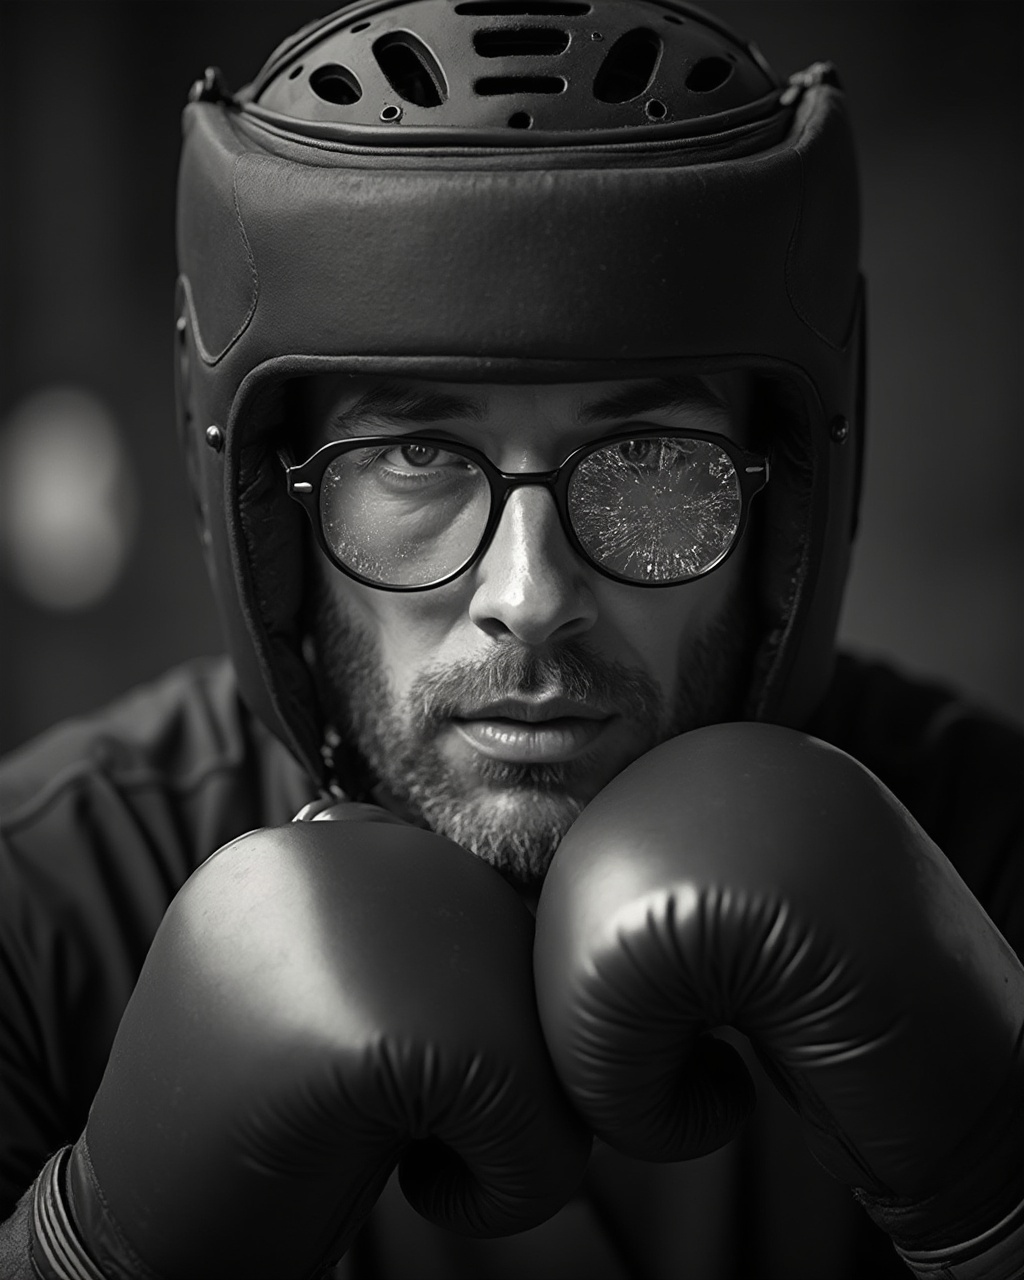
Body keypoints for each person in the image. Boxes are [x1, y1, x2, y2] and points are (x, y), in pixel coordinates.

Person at [1, 2, 1021, 1278]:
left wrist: (997, 1195)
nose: (528, 595)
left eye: (646, 457)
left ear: (785, 499)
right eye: (417, 454)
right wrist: (87, 1244)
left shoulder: (993, 859)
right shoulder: (39, 907)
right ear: (267, 501)